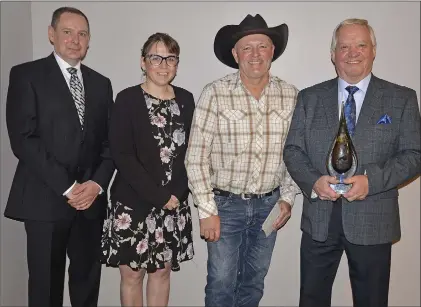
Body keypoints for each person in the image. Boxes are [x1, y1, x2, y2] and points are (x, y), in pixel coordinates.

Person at [283, 18, 421, 307]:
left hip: (374, 220)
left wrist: (373, 182)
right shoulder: (310, 97)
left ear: (373, 50)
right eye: (344, 46)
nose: (352, 53)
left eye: (361, 45)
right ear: (333, 54)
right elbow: (293, 150)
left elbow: (414, 155)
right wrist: (314, 182)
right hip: (320, 220)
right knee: (311, 300)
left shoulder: (402, 99)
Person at [185, 14, 300, 307]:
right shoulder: (215, 93)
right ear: (235, 54)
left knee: (254, 281)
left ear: (272, 51)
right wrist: (206, 209)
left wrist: (287, 198)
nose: (255, 54)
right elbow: (196, 156)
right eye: (247, 48)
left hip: (269, 206)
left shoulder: (291, 96)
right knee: (221, 283)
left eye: (262, 46)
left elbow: (296, 152)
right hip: (225, 206)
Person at [4, 6, 115, 307]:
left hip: (90, 203)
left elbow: (110, 144)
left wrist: (95, 185)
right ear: (52, 35)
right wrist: (69, 187)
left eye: (82, 34)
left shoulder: (101, 84)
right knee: (45, 289)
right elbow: (23, 140)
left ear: (89, 40)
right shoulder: (26, 75)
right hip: (45, 200)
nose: (75, 40)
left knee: (87, 283)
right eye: (67, 32)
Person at [100, 32, 195, 307]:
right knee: (133, 275)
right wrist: (159, 197)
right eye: (156, 57)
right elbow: (123, 155)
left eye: (170, 58)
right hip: (133, 204)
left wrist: (176, 194)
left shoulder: (187, 100)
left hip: (173, 203)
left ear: (177, 64)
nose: (163, 65)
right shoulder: (127, 99)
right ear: (143, 62)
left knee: (162, 272)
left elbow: (194, 152)